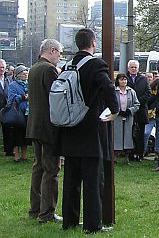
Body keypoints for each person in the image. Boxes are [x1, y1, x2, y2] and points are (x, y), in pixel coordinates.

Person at [56, 28, 118, 233]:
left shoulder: (68, 65)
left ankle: (70, 221)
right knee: (93, 181)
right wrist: (115, 110)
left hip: (70, 127)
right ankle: (93, 225)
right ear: (93, 42)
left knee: (71, 179)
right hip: (91, 129)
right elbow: (108, 88)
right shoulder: (96, 64)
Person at [26, 39, 63, 223]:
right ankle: (46, 213)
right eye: (60, 53)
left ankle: (35, 208)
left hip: (34, 125)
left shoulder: (33, 68)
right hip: (48, 126)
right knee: (52, 169)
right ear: (53, 50)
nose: (60, 57)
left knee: (38, 167)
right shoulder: (49, 70)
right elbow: (55, 96)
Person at [126, 60, 151, 162]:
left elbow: (148, 93)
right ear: (128, 68)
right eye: (132, 67)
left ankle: (140, 155)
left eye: (135, 67)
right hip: (128, 110)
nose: (134, 69)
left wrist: (138, 101)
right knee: (129, 133)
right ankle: (130, 154)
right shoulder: (124, 78)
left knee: (140, 134)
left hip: (140, 110)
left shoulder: (143, 79)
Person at [113, 73, 140, 164]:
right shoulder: (114, 91)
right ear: (118, 81)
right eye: (121, 79)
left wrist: (130, 111)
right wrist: (117, 111)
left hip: (128, 117)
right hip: (117, 117)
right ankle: (114, 157)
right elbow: (110, 102)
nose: (123, 81)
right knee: (116, 136)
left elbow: (137, 104)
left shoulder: (131, 91)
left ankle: (127, 157)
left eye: (125, 79)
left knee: (128, 137)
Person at [8, 65, 29, 162]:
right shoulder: (13, 85)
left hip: (28, 113)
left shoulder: (29, 84)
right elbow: (11, 99)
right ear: (17, 75)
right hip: (17, 113)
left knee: (25, 135)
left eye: (26, 73)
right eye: (23, 73)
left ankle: (24, 155)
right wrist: (23, 97)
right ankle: (16, 154)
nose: (25, 75)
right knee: (17, 134)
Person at [0, 59, 13, 156]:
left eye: (3, 67)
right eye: (0, 67)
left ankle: (8, 150)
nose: (1, 69)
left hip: (6, 108)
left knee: (7, 130)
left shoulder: (8, 79)